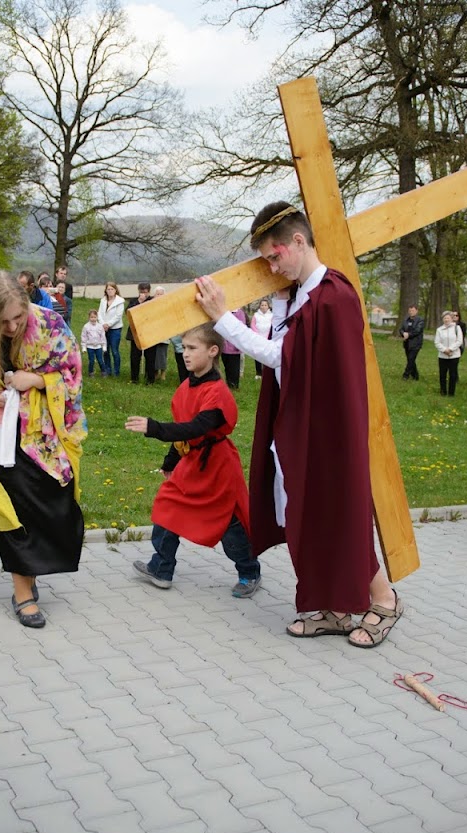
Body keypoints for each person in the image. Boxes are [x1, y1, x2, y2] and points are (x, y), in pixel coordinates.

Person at [195, 202, 401, 649]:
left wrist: (223, 319)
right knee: (302, 516)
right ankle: (334, 608)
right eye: (267, 261)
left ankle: (384, 600)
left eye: (275, 256)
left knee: (335, 516)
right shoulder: (300, 296)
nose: (273, 267)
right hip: (300, 426)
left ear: (299, 241)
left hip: (329, 433)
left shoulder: (334, 296)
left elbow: (281, 357)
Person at [0, 271, 87, 628]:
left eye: (18, 318)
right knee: (14, 510)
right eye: (2, 321)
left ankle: (31, 571)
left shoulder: (51, 326)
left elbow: (73, 374)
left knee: (54, 503)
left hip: (44, 436)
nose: (11, 327)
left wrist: (37, 380)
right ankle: (22, 592)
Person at [125, 324, 260, 597]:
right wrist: (170, 461)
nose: (185, 353)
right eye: (184, 347)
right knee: (168, 506)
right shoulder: (186, 386)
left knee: (228, 524)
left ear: (213, 351)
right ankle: (161, 568)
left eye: (192, 348)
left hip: (218, 467)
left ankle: (249, 572)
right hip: (193, 461)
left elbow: (196, 427)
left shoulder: (217, 392)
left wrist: (154, 428)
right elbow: (183, 427)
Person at [126, 282, 157, 384]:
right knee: (135, 357)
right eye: (141, 291)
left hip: (149, 332)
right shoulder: (134, 301)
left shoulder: (153, 301)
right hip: (135, 333)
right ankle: (134, 378)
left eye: (145, 292)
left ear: (149, 291)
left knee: (150, 357)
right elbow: (128, 312)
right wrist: (139, 302)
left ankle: (150, 379)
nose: (143, 294)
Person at [98, 282, 125, 377]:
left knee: (114, 350)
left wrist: (108, 324)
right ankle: (107, 369)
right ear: (106, 290)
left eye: (112, 289)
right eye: (108, 289)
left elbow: (118, 316)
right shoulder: (103, 300)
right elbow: (99, 313)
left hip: (115, 329)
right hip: (104, 328)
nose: (110, 291)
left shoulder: (120, 301)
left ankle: (116, 371)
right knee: (105, 350)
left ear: (115, 290)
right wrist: (103, 324)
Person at [434, 311, 463, 396]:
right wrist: (444, 350)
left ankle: (451, 393)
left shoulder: (457, 328)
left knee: (453, 375)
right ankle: (443, 391)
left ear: (451, 319)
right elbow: (437, 342)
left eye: (448, 318)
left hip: (454, 355)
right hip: (442, 356)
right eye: (445, 318)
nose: (446, 320)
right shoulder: (439, 330)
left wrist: (450, 349)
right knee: (442, 374)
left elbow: (459, 341)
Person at [220, 307, 246, 389]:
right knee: (227, 367)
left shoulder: (239, 312)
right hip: (224, 346)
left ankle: (234, 386)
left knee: (234, 368)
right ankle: (228, 384)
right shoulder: (223, 311)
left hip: (234, 347)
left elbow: (242, 328)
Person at [250, 298, 273, 379]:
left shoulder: (272, 315)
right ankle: (258, 373)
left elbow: (273, 326)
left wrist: (268, 336)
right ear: (259, 306)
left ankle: (267, 373)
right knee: (258, 356)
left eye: (265, 305)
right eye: (262, 305)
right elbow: (252, 325)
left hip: (268, 339)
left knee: (267, 356)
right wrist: (257, 334)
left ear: (268, 306)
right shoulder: (256, 315)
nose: (264, 307)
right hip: (258, 338)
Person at [400, 305, 424, 380]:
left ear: (416, 311)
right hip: (407, 343)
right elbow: (401, 329)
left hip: (416, 343)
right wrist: (403, 333)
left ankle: (405, 375)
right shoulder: (406, 320)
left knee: (411, 359)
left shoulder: (420, 320)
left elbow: (417, 330)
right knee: (410, 360)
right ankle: (415, 375)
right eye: (410, 311)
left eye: (413, 310)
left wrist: (408, 334)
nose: (411, 312)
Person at [81, 309, 106, 376]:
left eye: (94, 317)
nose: (93, 319)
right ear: (89, 317)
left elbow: (103, 337)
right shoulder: (86, 326)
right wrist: (84, 347)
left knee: (100, 360)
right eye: (91, 317)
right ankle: (91, 372)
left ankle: (103, 371)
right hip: (90, 347)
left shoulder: (100, 326)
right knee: (91, 360)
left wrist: (104, 346)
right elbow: (84, 337)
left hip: (98, 346)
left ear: (97, 317)